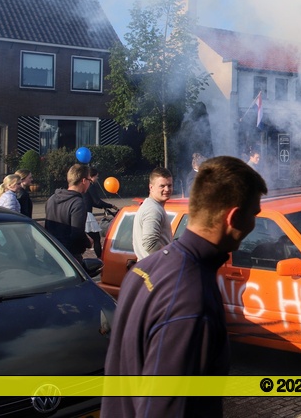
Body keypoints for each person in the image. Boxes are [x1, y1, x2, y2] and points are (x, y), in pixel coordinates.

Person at [102, 156, 267, 418]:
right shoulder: (191, 300)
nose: (254, 224)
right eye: (254, 214)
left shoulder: (143, 270)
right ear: (234, 217)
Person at [45, 163, 93, 265]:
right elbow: (77, 234)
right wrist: (88, 242)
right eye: (90, 180)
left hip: (51, 251)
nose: (90, 184)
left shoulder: (52, 198)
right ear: (84, 181)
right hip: (68, 256)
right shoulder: (77, 203)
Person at [133, 167, 174, 261]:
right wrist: (170, 256)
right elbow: (150, 243)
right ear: (151, 187)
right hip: (155, 267)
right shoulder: (153, 210)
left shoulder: (151, 205)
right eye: (162, 186)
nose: (167, 189)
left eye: (169, 185)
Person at [84, 168, 118, 259]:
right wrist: (111, 205)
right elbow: (97, 201)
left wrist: (104, 206)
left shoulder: (86, 186)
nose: (97, 178)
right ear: (92, 177)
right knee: (96, 238)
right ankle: (100, 258)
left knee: (92, 237)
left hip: (83, 213)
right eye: (96, 176)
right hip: (87, 215)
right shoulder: (91, 186)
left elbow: (92, 202)